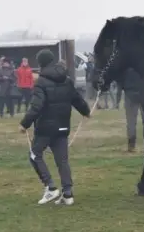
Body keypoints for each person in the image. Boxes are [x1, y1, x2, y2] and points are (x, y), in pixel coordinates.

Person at [19, 49, 91, 206]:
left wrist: (25, 124)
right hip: (63, 127)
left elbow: (36, 106)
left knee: (34, 155)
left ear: (41, 64)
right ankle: (68, 194)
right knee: (62, 161)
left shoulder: (41, 82)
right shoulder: (66, 79)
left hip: (45, 128)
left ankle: (50, 187)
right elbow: (77, 99)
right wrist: (86, 111)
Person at [119, 68, 144, 152]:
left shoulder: (126, 68)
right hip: (143, 92)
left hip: (129, 93)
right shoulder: (141, 65)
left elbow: (120, 81)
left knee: (131, 122)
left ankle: (131, 145)